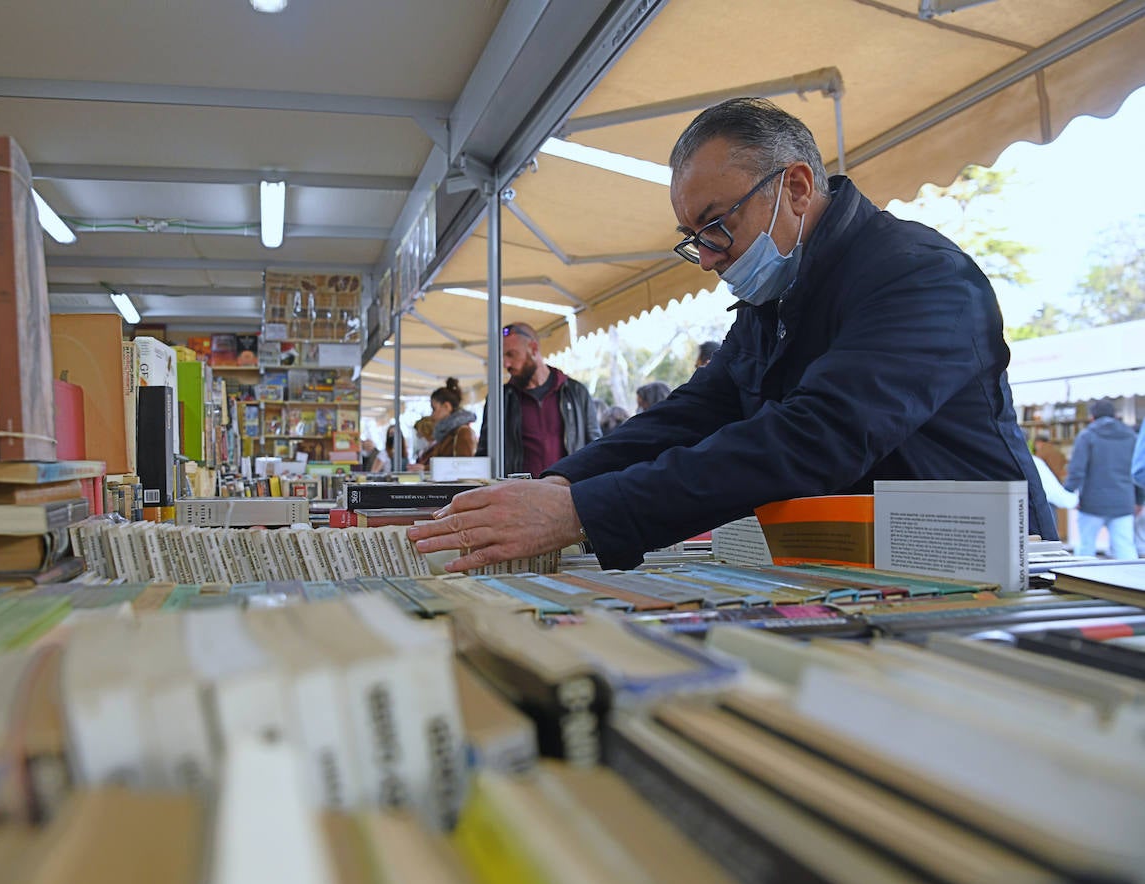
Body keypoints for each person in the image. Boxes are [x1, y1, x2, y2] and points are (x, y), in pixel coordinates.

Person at [411, 97, 1053, 572]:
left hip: (981, 565)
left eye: (715, 224)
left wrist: (581, 511)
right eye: (694, 238)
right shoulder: (775, 301)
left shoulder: (918, 276)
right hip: (863, 568)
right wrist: (556, 485)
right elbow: (692, 414)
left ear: (796, 187)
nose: (711, 257)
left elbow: (818, 435)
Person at [475, 321, 598, 477]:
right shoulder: (500, 399)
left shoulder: (576, 392)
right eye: (503, 356)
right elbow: (485, 452)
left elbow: (595, 447)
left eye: (511, 354)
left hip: (567, 493)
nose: (506, 364)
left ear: (533, 349)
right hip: (516, 495)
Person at [1064, 399, 1138, 559]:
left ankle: (1082, 583)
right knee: (1125, 547)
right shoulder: (1132, 436)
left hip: (1092, 501)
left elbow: (1077, 471)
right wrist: (1139, 500)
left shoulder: (1087, 436)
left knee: (1086, 548)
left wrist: (1068, 495)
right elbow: (1138, 470)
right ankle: (1131, 582)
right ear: (1116, 416)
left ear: (1092, 417)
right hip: (1123, 501)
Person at [417, 378, 478, 465]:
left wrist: (425, 469)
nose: (432, 414)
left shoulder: (463, 432)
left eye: (434, 409)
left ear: (446, 406)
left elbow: (464, 467)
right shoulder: (445, 433)